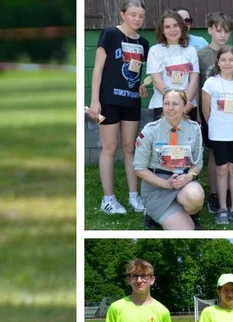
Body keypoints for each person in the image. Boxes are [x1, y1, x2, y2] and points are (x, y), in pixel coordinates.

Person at [89, 1, 148, 216]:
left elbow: (136, 74)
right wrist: (95, 100)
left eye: (141, 16)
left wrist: (141, 86)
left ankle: (134, 195)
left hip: (132, 101)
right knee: (109, 148)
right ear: (123, 14)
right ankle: (108, 199)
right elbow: (98, 69)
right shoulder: (110, 33)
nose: (137, 19)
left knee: (130, 147)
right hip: (108, 102)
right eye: (133, 14)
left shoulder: (144, 42)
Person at [197, 13, 233, 217]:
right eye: (219, 30)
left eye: (227, 30)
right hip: (217, 128)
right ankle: (217, 199)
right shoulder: (202, 57)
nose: (223, 34)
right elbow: (206, 106)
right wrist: (211, 122)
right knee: (218, 164)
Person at [133, 89, 206, 229]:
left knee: (195, 196)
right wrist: (165, 183)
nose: (170, 108)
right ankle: (153, 215)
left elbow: (198, 164)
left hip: (183, 182)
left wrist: (189, 176)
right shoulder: (150, 131)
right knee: (186, 231)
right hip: (157, 187)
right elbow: (139, 169)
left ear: (185, 107)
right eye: (166, 103)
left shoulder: (194, 129)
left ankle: (189, 214)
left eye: (175, 104)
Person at [147, 11, 201, 121]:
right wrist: (174, 102)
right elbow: (157, 82)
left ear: (181, 27)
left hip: (187, 106)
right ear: (162, 31)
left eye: (175, 25)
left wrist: (183, 103)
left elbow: (194, 81)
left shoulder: (191, 51)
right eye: (167, 27)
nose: (172, 30)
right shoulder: (155, 51)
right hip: (164, 106)